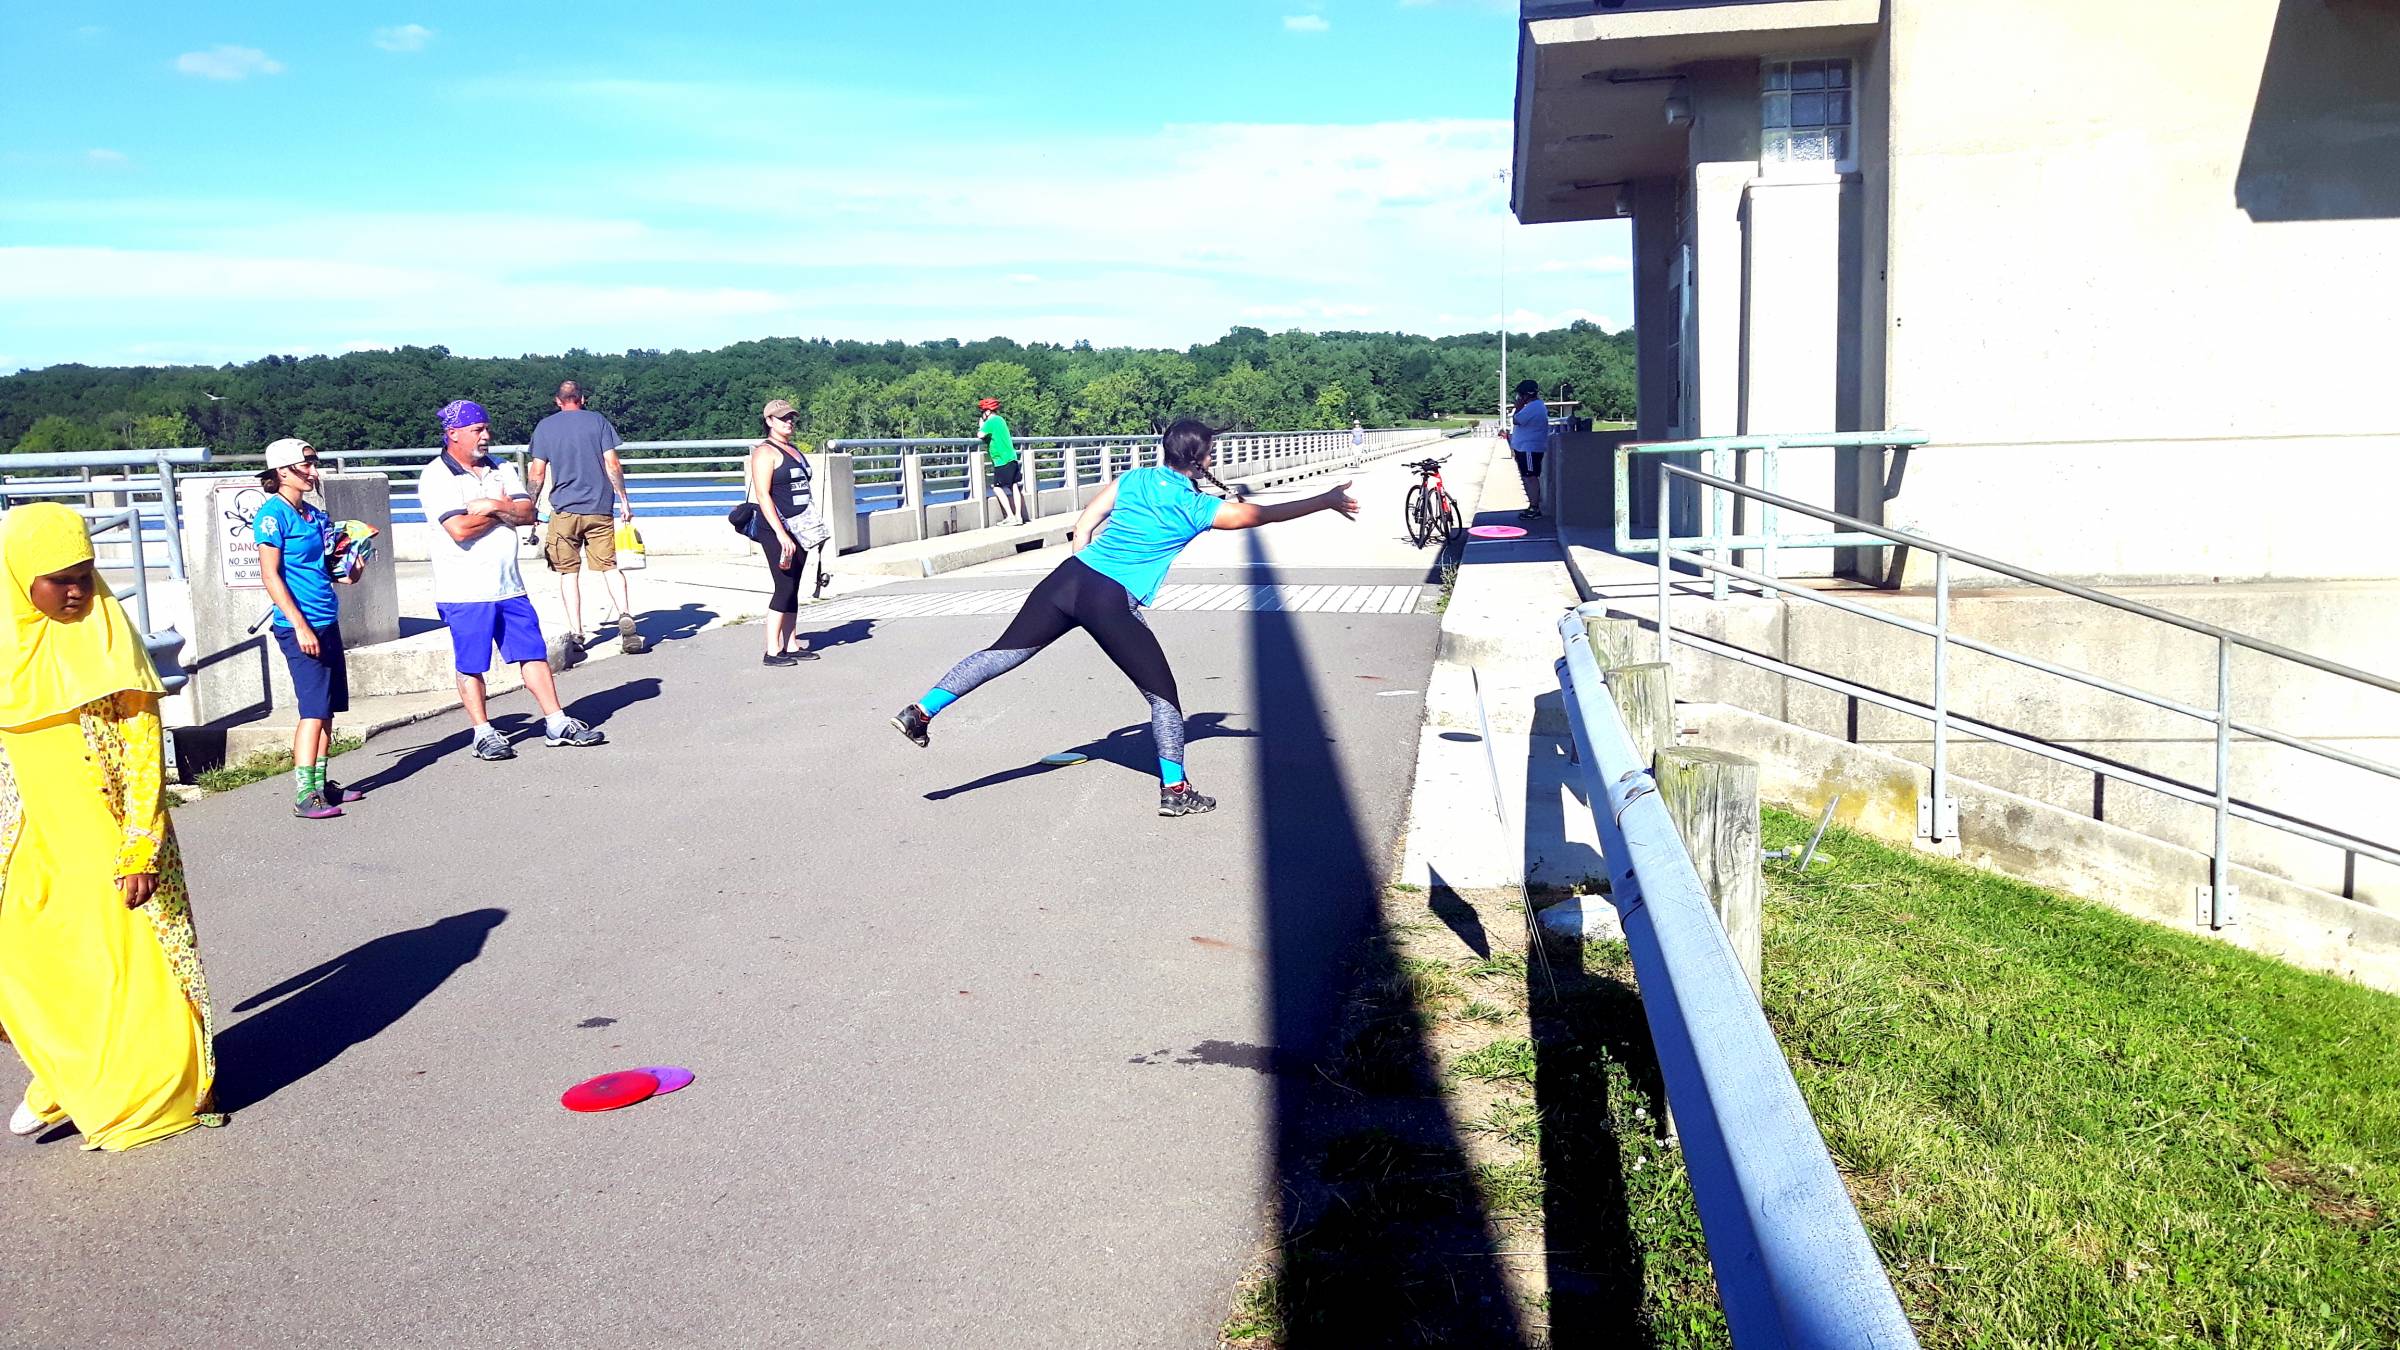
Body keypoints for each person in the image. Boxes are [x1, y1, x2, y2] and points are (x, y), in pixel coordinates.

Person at [889, 419, 1359, 817]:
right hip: (1110, 599)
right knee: (1164, 698)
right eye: (1211, 453)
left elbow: (1083, 526)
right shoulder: (1198, 507)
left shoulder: (1132, 479)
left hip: (1067, 579)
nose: (1213, 459)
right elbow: (1263, 514)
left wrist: (1085, 571)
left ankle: (919, 711)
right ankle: (1175, 793)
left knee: (1000, 655)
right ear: (1198, 460)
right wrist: (1326, 499)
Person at [0, 504, 224, 1150]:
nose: (77, 591)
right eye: (58, 579)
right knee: (25, 962)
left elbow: (142, 741)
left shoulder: (103, 629)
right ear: (18, 577)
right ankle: (64, 1077)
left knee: (122, 965)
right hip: (30, 836)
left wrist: (140, 842)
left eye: (85, 573)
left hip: (107, 832)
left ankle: (145, 1092)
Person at [416, 400, 606, 760]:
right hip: (465, 591)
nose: (485, 436)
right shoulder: (436, 476)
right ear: (452, 434)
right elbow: (458, 529)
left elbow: (528, 512)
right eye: (477, 430)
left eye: (486, 428)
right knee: (471, 663)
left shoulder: (500, 468)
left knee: (532, 653)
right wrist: (504, 510)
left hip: (510, 586)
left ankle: (556, 720)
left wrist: (490, 505)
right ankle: (483, 732)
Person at [254, 437, 364, 819]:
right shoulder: (272, 515)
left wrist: (351, 569)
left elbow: (328, 569)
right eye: (307, 467)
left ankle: (321, 783)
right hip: (298, 625)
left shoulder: (314, 515)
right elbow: (271, 575)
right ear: (283, 472)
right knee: (312, 710)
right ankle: (304, 793)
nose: (314, 474)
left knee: (329, 708)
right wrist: (299, 625)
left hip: (326, 619)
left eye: (315, 465)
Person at [526, 379, 645, 657]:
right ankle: (625, 615)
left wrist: (530, 509)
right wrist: (624, 501)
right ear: (583, 399)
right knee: (610, 566)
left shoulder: (545, 427)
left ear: (558, 401)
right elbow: (612, 464)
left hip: (564, 511)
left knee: (568, 573)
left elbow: (537, 474)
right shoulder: (598, 422)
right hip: (599, 508)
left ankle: (577, 633)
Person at [746, 399, 823, 666]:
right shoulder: (764, 453)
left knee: (793, 586)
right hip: (777, 529)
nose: (788, 422)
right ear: (769, 421)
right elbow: (763, 495)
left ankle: (791, 643)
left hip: (800, 527)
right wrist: (781, 533)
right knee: (783, 586)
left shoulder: (793, 450)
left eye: (791, 417)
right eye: (782, 418)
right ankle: (772, 650)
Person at [977, 396, 1028, 526]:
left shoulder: (990, 421)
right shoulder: (1001, 420)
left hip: (1001, 460)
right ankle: (1018, 517)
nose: (982, 415)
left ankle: (1010, 516)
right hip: (1011, 457)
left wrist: (981, 426)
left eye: (983, 412)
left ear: (987, 412)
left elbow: (980, 435)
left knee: (997, 488)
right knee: (1014, 486)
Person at [1508, 378, 1550, 521]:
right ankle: (1532, 506)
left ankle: (1534, 508)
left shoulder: (1534, 407)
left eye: (1520, 395)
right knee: (1527, 476)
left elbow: (1516, 419)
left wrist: (1518, 407)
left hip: (1529, 449)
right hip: (1526, 448)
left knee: (1531, 477)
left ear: (1526, 395)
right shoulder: (1536, 406)